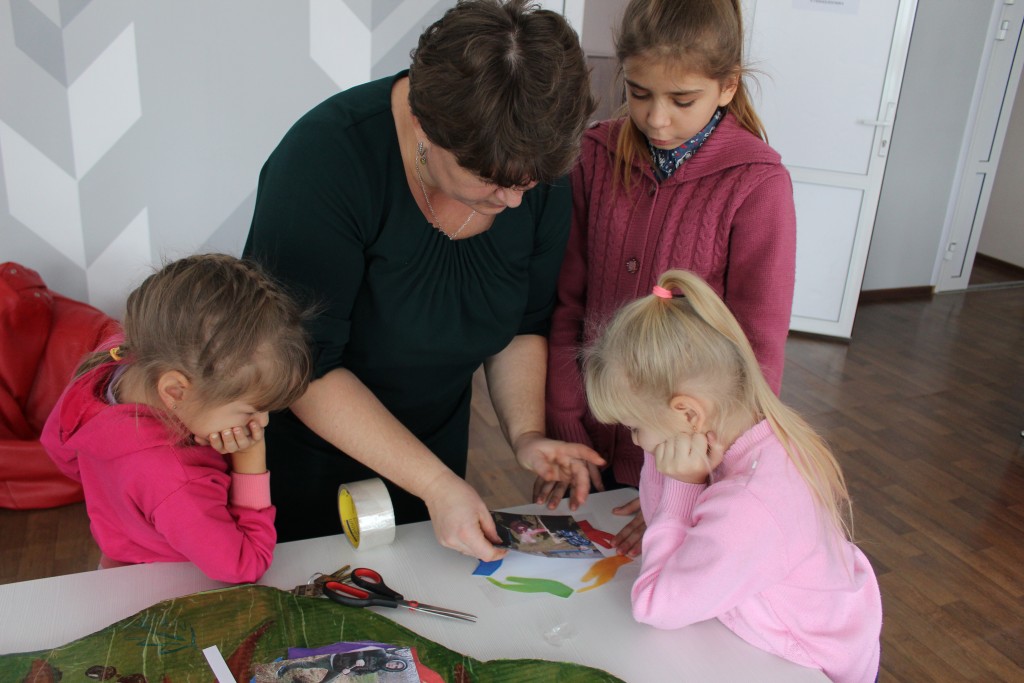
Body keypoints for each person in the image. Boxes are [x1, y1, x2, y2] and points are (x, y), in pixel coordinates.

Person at [243, 0, 600, 559]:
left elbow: (522, 325)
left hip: (436, 457)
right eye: (490, 180)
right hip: (307, 462)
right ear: (423, 124)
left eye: (528, 184)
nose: (513, 201)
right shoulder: (323, 163)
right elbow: (303, 368)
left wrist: (526, 436)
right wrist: (434, 483)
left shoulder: (531, 168)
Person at [542, 0, 797, 555]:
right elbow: (566, 304)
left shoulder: (758, 183)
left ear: (727, 87)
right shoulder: (593, 157)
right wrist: (564, 419)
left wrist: (689, 482)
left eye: (683, 100)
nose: (657, 119)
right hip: (586, 444)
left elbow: (758, 352)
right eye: (639, 93)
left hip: (685, 458)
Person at [583, 269, 881, 683]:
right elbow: (660, 523)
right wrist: (671, 467)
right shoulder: (752, 432)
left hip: (808, 665)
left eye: (635, 426)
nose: (636, 441)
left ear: (688, 414)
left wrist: (681, 487)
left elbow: (656, 604)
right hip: (775, 632)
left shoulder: (750, 504)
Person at [40, 254, 313, 584]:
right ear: (175, 391)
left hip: (118, 569)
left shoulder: (112, 361)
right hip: (172, 588)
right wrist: (249, 459)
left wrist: (124, 499)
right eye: (249, 410)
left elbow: (58, 447)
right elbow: (246, 563)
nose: (262, 422)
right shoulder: (174, 478)